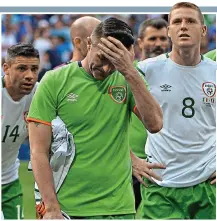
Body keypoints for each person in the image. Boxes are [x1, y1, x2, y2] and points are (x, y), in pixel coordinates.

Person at [27, 17, 163, 219]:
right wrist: (51, 207)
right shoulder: (55, 81)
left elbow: (155, 124)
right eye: (102, 58)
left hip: (119, 208)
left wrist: (129, 71)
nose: (107, 69)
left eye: (114, 62)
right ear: (89, 43)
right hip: (69, 208)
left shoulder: (128, 78)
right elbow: (38, 150)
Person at [136, 2, 216, 219]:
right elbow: (107, 115)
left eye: (190, 21)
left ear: (203, 30)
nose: (183, 26)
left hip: (208, 186)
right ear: (169, 30)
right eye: (177, 22)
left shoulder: (215, 72)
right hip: (162, 186)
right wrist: (130, 159)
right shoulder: (146, 70)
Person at [130, 17, 170, 210]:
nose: (158, 44)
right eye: (152, 39)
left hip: (166, 165)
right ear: (140, 42)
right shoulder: (127, 74)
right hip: (132, 164)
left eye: (163, 39)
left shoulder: (178, 74)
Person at [1, 43, 40, 219]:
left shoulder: (39, 94)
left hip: (10, 182)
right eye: (22, 68)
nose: (29, 76)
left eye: (34, 69)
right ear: (6, 68)